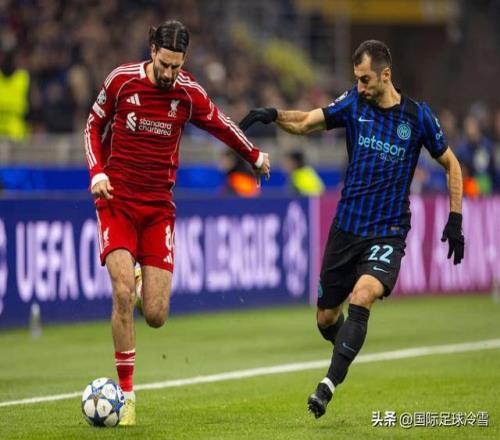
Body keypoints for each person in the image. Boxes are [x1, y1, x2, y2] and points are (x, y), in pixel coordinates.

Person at [239, 40, 464, 419]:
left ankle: (326, 386)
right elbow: (306, 122)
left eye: (365, 79)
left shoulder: (417, 117)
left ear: (385, 75)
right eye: (356, 79)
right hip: (346, 229)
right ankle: (345, 344)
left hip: (388, 231)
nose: (359, 86)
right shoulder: (354, 104)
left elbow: (452, 165)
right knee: (326, 318)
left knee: (363, 295)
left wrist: (455, 218)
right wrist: (273, 114)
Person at [84, 20, 270, 426]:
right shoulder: (121, 81)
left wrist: (254, 155)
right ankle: (127, 398)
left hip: (157, 210)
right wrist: (97, 171)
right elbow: (93, 125)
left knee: (155, 314)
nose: (169, 73)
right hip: (116, 201)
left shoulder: (187, 93)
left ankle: (141, 283)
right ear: (152, 50)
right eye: (165, 64)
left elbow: (221, 124)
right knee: (121, 293)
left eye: (177, 66)